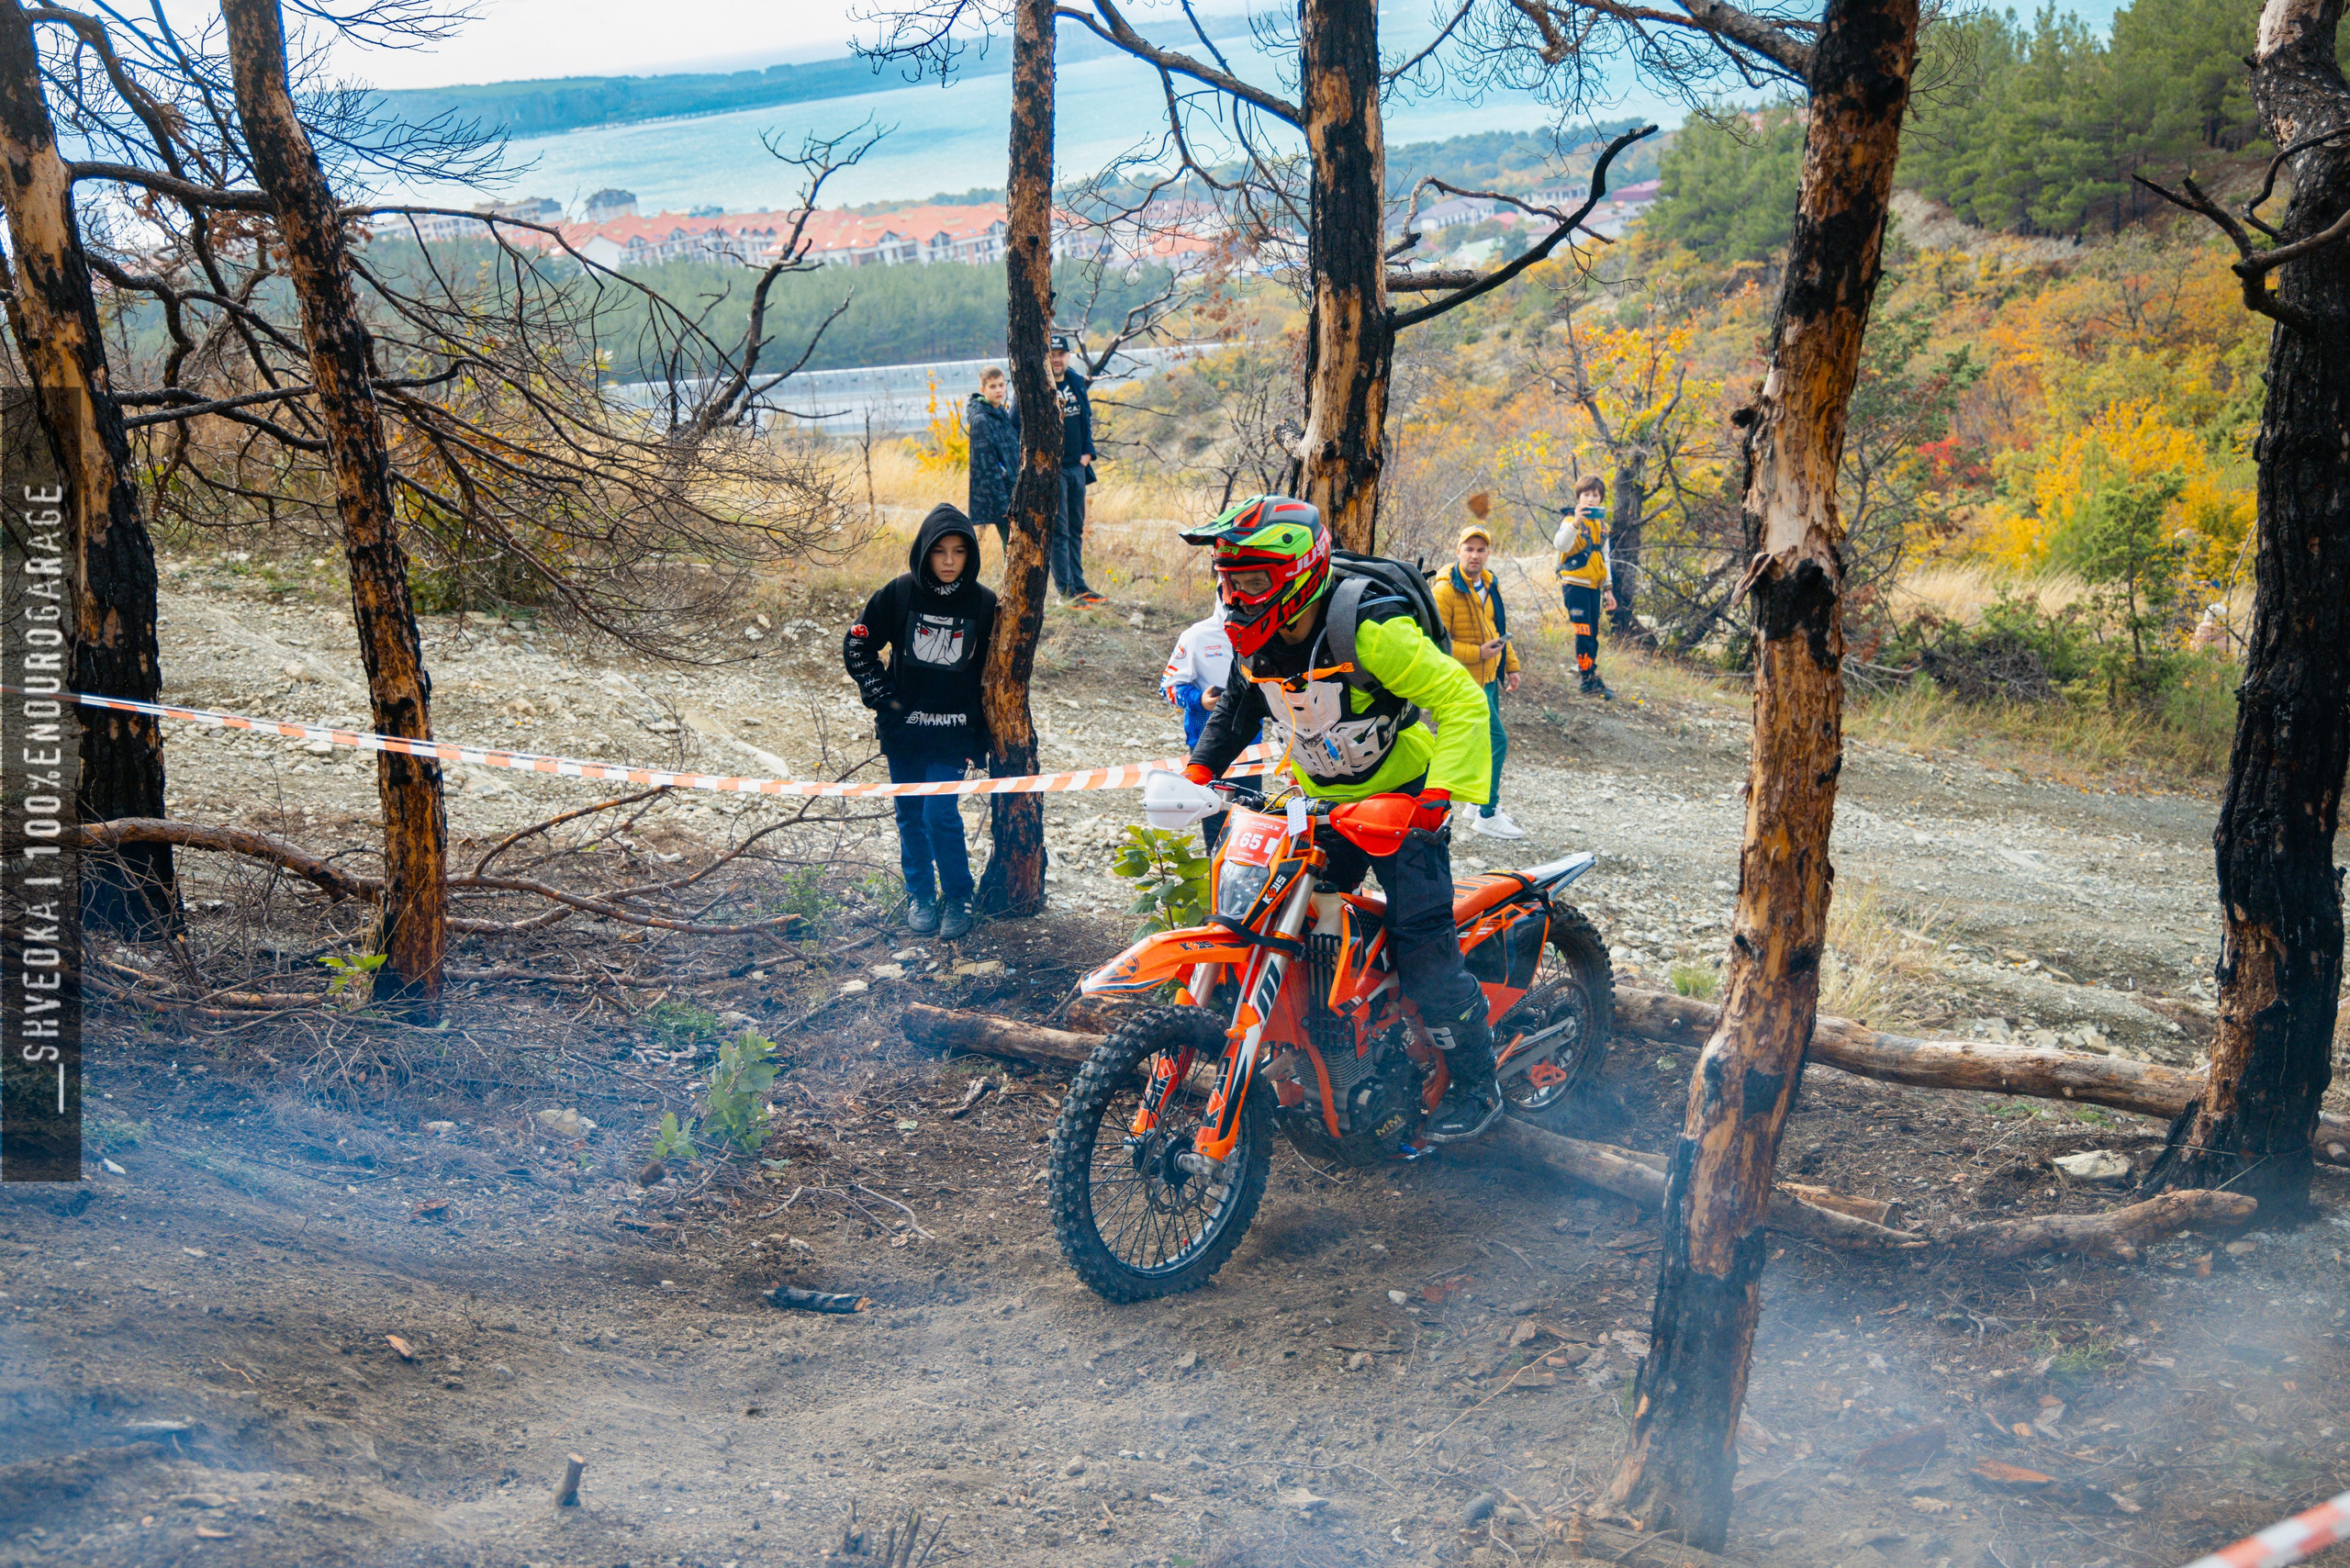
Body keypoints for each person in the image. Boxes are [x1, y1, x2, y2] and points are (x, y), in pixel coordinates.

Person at [1181, 494, 1502, 1138]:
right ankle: (1336, 1051)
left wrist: (1437, 799)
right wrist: (1199, 771)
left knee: (1425, 951)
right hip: (1321, 800)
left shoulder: (1371, 629)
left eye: (1248, 581)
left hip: (1402, 798)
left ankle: (1478, 1086)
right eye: (1226, 581)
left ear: (1296, 575)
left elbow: (1463, 700)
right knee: (1292, 920)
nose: (1235, 597)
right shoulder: (1259, 636)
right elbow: (1241, 705)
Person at [843, 504, 996, 940]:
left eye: (959, 552)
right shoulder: (898, 594)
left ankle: (959, 895)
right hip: (905, 732)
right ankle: (921, 895)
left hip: (953, 734)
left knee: (938, 813)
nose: (949, 561)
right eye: (939, 552)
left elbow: (995, 675)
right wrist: (882, 698)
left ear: (971, 555)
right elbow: (857, 645)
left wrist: (981, 735)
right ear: (924, 553)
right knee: (910, 813)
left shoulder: (985, 604)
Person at [1433, 521, 1525, 840]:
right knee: (1497, 741)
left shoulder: (1489, 584)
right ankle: (1487, 813)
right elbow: (1437, 643)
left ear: (1488, 553)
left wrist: (1510, 665)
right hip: (1465, 679)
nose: (1475, 555)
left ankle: (1475, 804)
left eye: (1481, 549)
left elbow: (1498, 628)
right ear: (1458, 551)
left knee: (1485, 743)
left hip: (1488, 677)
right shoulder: (1445, 589)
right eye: (1469, 549)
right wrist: (1478, 652)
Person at [1047, 334, 1104, 608]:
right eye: (1051, 354)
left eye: (1061, 353)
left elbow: (1086, 419)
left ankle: (1080, 587)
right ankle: (1065, 592)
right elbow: (1016, 425)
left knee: (1076, 528)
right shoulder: (1038, 386)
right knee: (1059, 532)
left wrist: (1086, 454)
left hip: (1077, 468)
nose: (1056, 359)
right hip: (1053, 472)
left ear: (1068, 356)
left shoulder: (1076, 381)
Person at [1555, 475, 1617, 700]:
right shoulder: (1569, 521)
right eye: (1586, 495)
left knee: (1593, 633)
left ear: (1601, 499)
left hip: (1594, 586)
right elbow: (1560, 544)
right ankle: (1586, 679)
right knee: (1583, 633)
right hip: (1575, 585)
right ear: (1578, 497)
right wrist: (1575, 523)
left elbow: (1605, 557)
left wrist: (1608, 589)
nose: (1590, 499)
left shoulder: (1602, 525)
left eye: (1595, 495)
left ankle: (1590, 674)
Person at [966, 366, 1020, 550]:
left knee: (1016, 545)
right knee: (1012, 546)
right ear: (983, 390)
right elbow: (987, 469)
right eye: (992, 386)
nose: (998, 390)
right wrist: (1004, 504)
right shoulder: (981, 420)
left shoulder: (1000, 413)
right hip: (1001, 497)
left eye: (1001, 385)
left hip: (1013, 490)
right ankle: (1010, 580)